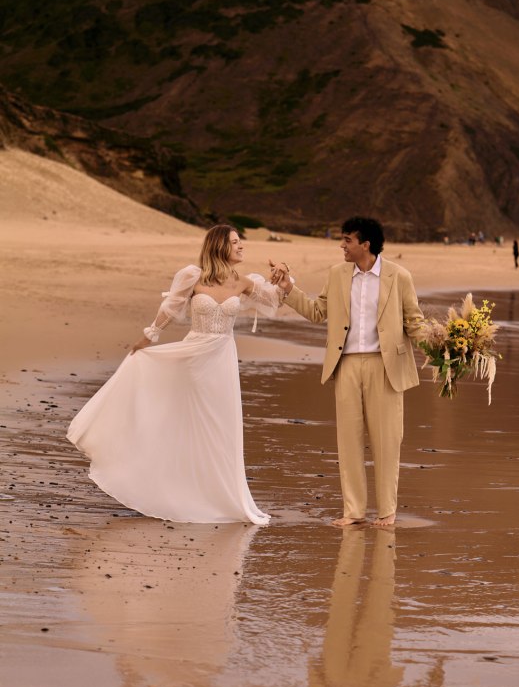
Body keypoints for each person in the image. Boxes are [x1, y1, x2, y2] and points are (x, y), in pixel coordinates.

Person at [67, 225, 285, 524]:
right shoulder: (193, 276)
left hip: (221, 360)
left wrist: (283, 278)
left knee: (221, 428)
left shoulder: (244, 282)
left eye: (239, 242)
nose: (241, 247)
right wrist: (150, 336)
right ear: (220, 246)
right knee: (181, 422)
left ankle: (218, 496)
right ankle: (163, 486)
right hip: (192, 358)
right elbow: (170, 308)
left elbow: (273, 301)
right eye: (235, 242)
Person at [271, 217, 424, 529]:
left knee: (387, 441)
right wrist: (288, 288)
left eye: (347, 240)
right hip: (347, 364)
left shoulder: (399, 276)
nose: (341, 245)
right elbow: (318, 312)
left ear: (365, 245)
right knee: (349, 440)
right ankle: (354, 511)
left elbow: (414, 322)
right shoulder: (338, 275)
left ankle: (387, 512)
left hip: (386, 367)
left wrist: (443, 347)